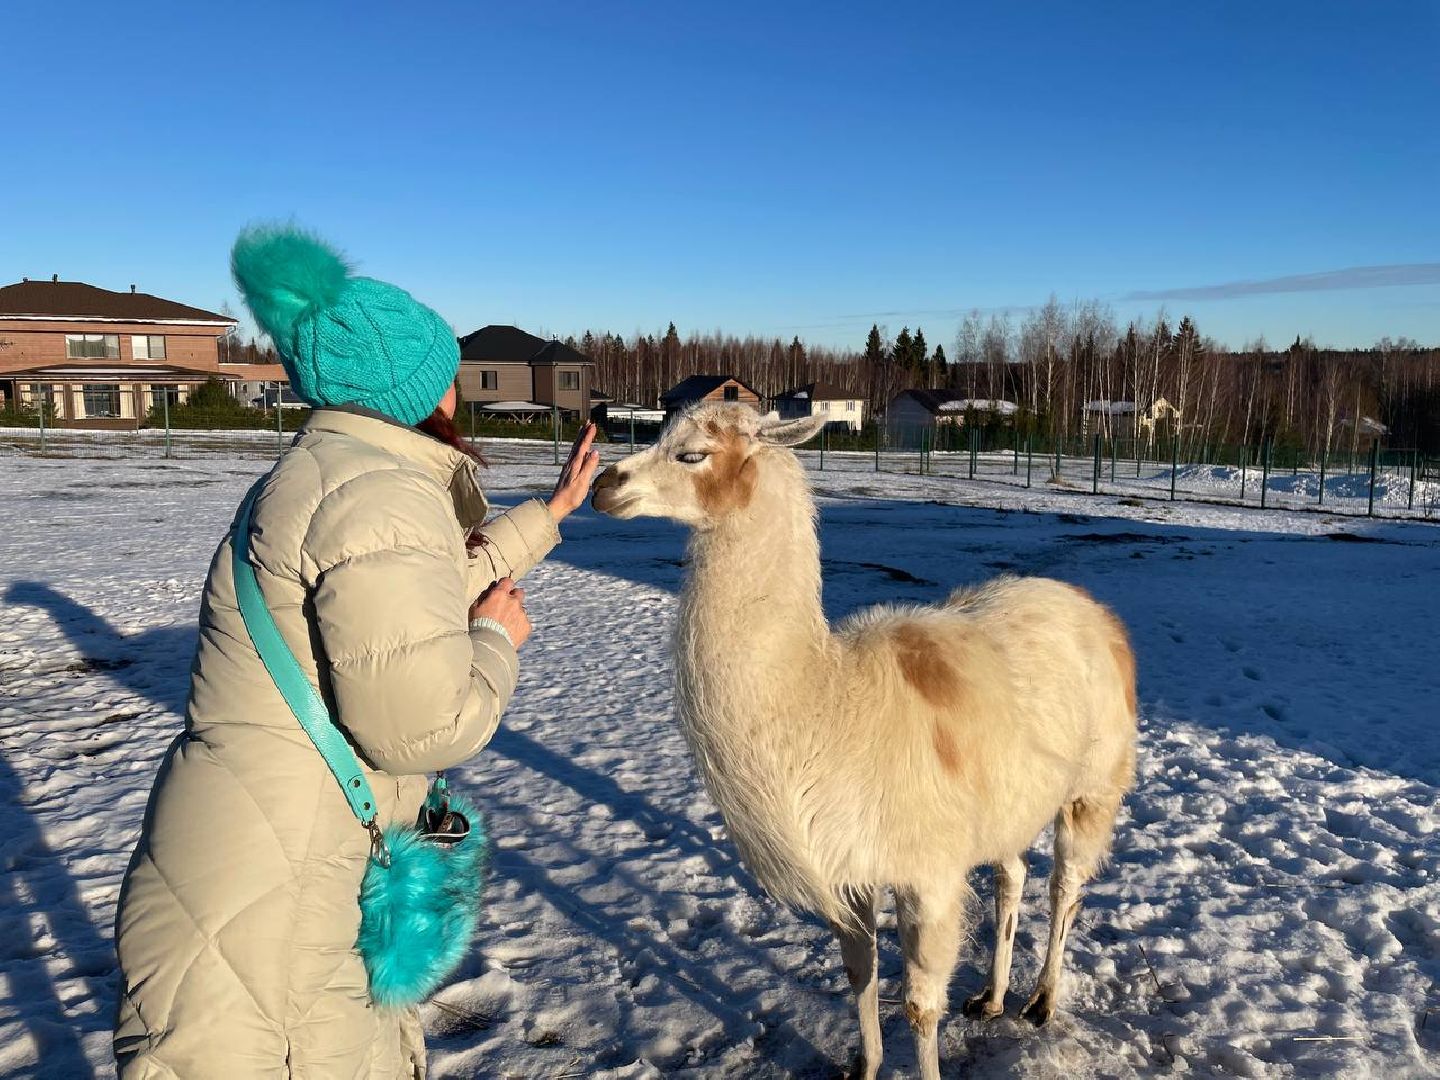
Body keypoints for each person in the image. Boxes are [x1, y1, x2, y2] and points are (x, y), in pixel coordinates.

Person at [113, 225, 600, 1078]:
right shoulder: (380, 494)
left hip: (261, 849)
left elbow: (416, 586)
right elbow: (420, 728)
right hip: (285, 886)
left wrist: (550, 516)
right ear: (417, 386)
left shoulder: (331, 473)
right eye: (446, 363)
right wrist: (495, 640)